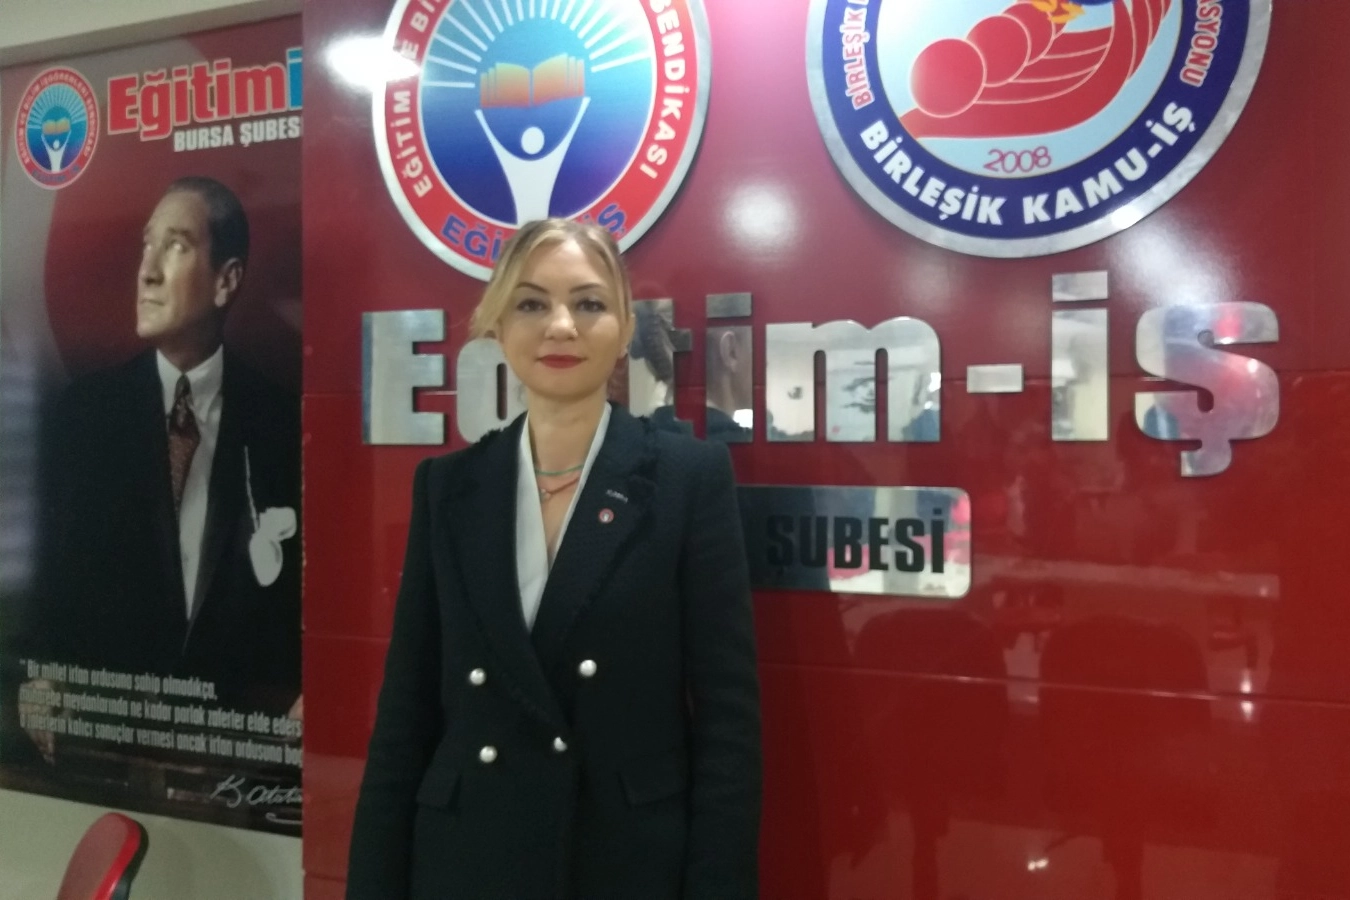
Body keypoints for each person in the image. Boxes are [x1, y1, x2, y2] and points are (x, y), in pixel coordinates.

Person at [346, 219, 762, 899]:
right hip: (465, 861)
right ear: (497, 325)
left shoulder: (688, 479)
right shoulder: (448, 487)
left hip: (619, 864)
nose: (561, 326)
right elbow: (404, 718)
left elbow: (728, 727)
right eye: (532, 303)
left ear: (626, 329)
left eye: (589, 303)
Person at [31, 176, 301, 716]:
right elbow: (52, 577)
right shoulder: (85, 414)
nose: (147, 271)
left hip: (238, 735)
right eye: (147, 245)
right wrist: (38, 677)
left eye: (176, 246)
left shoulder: (281, 422)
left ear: (226, 281)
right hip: (107, 728)